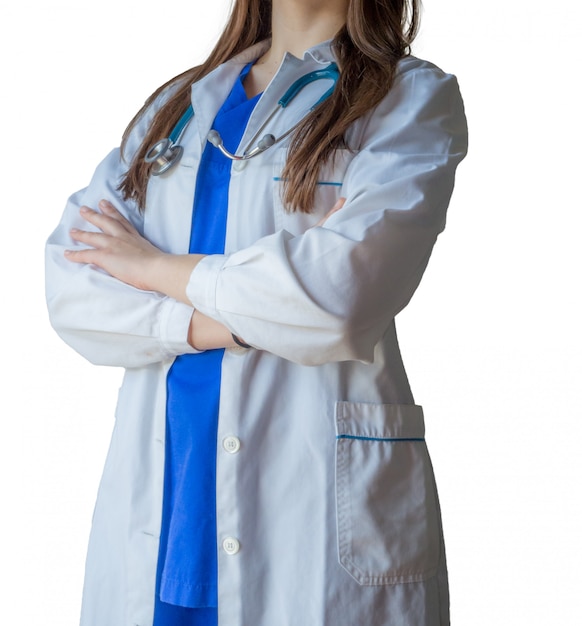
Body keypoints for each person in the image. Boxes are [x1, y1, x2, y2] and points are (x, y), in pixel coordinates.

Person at [45, 0, 468, 624]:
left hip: (307, 513)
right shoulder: (178, 106)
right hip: (166, 509)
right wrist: (208, 323)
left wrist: (150, 268)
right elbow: (73, 288)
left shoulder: (406, 99)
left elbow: (340, 298)